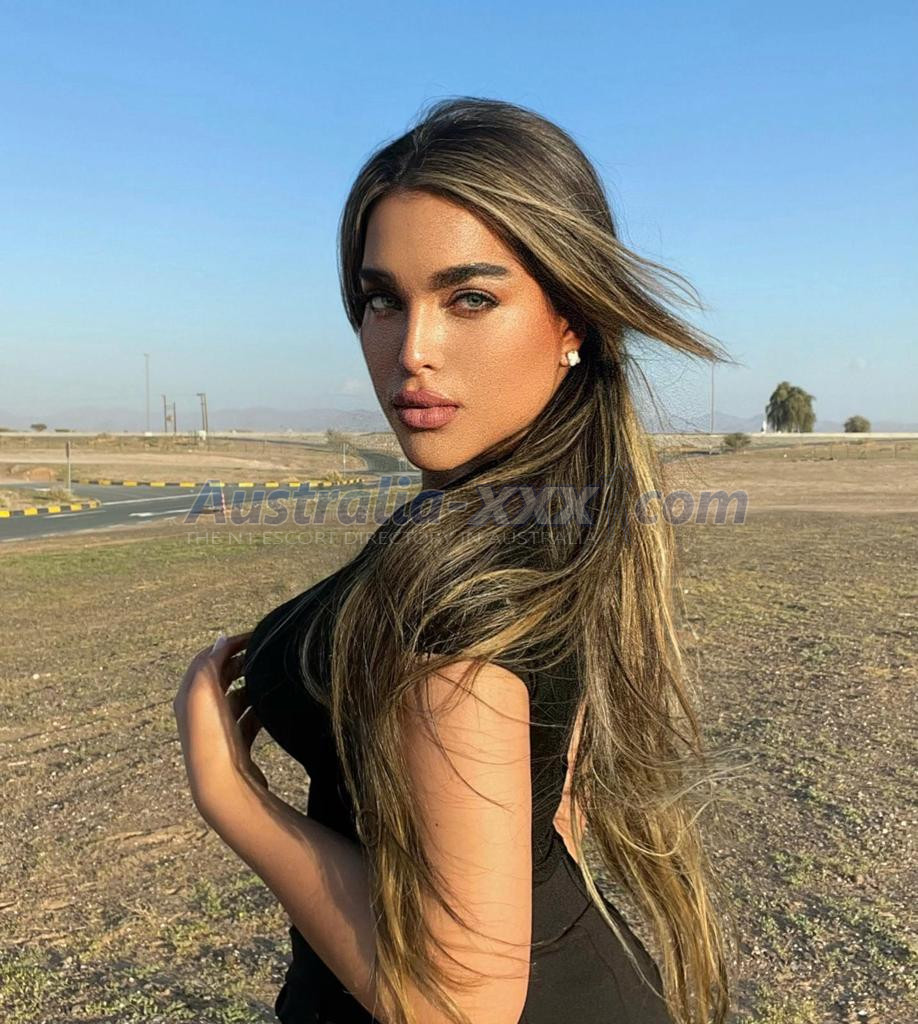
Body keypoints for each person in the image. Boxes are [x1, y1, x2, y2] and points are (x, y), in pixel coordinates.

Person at [173, 96, 737, 1024]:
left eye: (469, 298)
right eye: (382, 299)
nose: (412, 350)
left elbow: (455, 1005)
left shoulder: (464, 595)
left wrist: (235, 798)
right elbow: (557, 802)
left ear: (571, 319)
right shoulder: (548, 513)